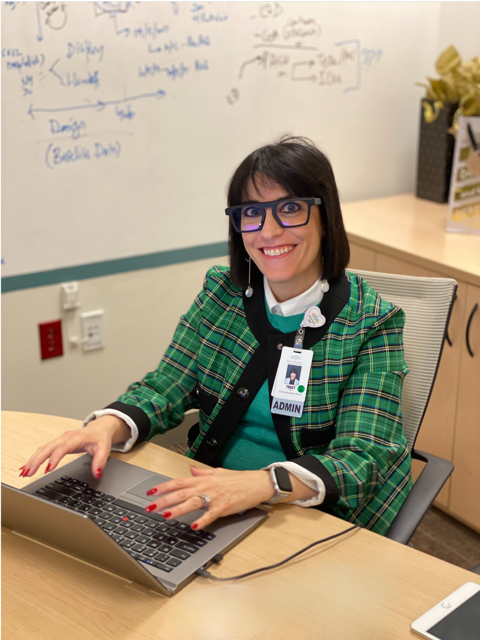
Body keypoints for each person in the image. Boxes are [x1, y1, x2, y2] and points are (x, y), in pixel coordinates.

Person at [22, 137, 412, 535]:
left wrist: (265, 483)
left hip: (311, 519)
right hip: (211, 500)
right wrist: (105, 426)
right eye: (251, 214)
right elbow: (165, 387)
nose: (270, 232)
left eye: (291, 209)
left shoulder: (374, 323)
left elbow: (363, 458)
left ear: (325, 217)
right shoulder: (221, 294)